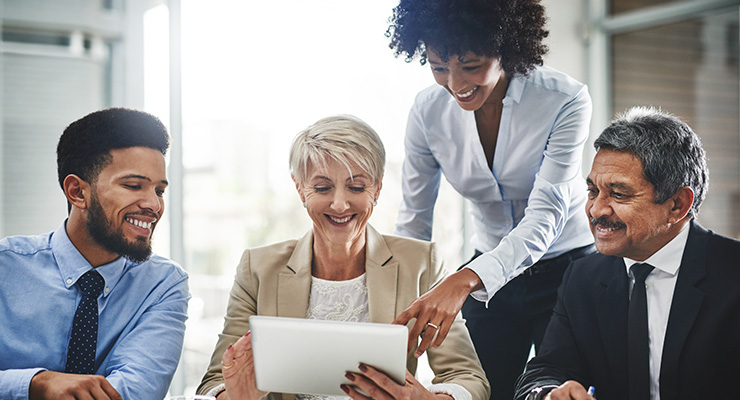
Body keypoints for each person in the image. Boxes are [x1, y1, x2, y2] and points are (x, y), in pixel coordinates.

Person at [196, 115, 489, 400]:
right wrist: (236, 396)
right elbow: (214, 381)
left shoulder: (421, 263)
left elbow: (469, 379)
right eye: (322, 188)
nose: (339, 203)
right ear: (300, 188)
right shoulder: (257, 268)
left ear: (377, 188)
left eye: (356, 187)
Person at [385, 1, 595, 398]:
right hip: (489, 274)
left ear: (507, 48)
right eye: (438, 66)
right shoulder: (428, 113)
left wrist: (463, 279)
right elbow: (414, 221)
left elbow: (545, 216)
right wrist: (391, 295)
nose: (454, 82)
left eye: (469, 63)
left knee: (563, 388)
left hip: (566, 268)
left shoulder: (564, 100)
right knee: (484, 388)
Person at [515, 106, 740, 400]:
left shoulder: (733, 273)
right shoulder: (582, 277)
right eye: (593, 191)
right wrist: (549, 394)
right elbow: (545, 370)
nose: (596, 210)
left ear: (677, 205)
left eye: (619, 194)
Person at [0, 108, 189, 400]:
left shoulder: (163, 284)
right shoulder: (6, 267)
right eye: (133, 186)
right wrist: (35, 384)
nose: (153, 205)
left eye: (160, 190)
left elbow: (136, 391)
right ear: (77, 191)